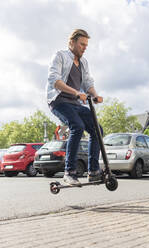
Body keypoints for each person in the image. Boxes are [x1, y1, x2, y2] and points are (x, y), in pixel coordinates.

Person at [46, 29, 103, 185]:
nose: (84, 48)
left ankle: (93, 171)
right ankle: (69, 172)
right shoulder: (60, 56)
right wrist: (77, 93)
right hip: (58, 101)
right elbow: (55, 81)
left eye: (86, 45)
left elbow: (88, 84)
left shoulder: (84, 63)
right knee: (77, 126)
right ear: (71, 42)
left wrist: (95, 95)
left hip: (75, 103)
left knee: (97, 130)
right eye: (81, 44)